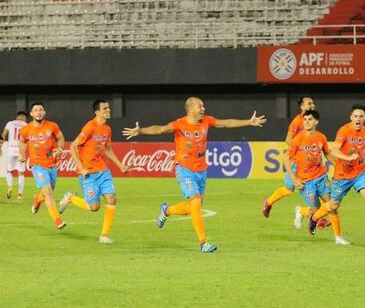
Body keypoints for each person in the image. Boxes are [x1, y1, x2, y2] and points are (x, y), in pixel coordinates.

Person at [121, 96, 266, 253]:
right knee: (196, 202)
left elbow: (226, 123)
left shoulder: (207, 121)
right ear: (190, 109)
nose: (203, 109)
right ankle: (203, 242)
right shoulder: (180, 124)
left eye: (203, 106)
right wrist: (141, 130)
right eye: (200, 106)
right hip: (185, 168)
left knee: (194, 207)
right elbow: (160, 129)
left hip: (201, 169)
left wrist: (248, 122)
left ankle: (167, 210)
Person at [305, 104, 365, 246]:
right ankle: (314, 218)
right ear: (351, 118)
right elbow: (334, 151)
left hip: (359, 173)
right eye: (356, 116)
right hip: (342, 175)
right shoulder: (344, 131)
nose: (358, 118)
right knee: (333, 206)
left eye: (361, 116)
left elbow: (359, 150)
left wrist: (361, 162)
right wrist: (348, 158)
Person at [58, 100, 129, 244]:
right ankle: (70, 198)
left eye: (108, 108)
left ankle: (104, 235)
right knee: (94, 207)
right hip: (88, 173)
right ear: (97, 112)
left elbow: (107, 149)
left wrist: (120, 165)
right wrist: (81, 168)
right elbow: (73, 146)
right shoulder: (90, 127)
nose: (108, 110)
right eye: (105, 108)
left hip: (103, 171)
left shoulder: (107, 129)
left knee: (111, 198)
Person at [282, 110, 356, 245]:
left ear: (316, 121)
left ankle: (338, 237)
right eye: (305, 120)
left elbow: (327, 153)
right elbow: (285, 158)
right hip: (305, 181)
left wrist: (337, 167)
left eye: (310, 119)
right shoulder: (297, 139)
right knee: (316, 210)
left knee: (332, 206)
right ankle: (301, 211)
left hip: (321, 177)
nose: (307, 122)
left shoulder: (321, 137)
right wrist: (293, 179)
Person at [262, 95, 331, 230]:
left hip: (307, 164)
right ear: (301, 107)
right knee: (290, 188)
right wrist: (300, 149)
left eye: (312, 103)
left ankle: (317, 217)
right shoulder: (297, 121)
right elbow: (288, 139)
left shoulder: (311, 121)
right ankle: (269, 202)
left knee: (320, 196)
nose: (311, 106)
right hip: (295, 162)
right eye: (308, 104)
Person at [19, 102, 66, 229]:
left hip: (51, 164)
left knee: (47, 193)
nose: (38, 112)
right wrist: (22, 154)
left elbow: (60, 138)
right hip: (37, 165)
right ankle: (58, 220)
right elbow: (23, 142)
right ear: (31, 114)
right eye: (36, 110)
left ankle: (37, 199)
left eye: (41, 110)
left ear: (44, 112)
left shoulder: (52, 126)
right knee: (48, 193)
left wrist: (60, 149)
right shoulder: (26, 129)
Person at [1, 111, 28, 200]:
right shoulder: (26, 125)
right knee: (21, 173)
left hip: (11, 149)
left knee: (9, 170)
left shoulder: (10, 123)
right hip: (21, 150)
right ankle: (20, 194)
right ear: (24, 118)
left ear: (17, 117)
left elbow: (3, 136)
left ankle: (10, 186)